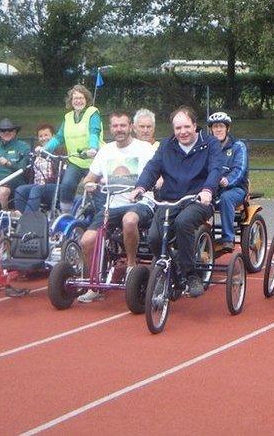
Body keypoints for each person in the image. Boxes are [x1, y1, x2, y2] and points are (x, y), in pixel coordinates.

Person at [131, 106, 226, 298]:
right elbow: (152, 167)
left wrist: (208, 190)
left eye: (186, 127)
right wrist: (141, 187)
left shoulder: (210, 144)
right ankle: (174, 272)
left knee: (184, 223)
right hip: (169, 199)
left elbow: (216, 168)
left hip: (197, 199)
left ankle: (191, 275)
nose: (182, 132)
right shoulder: (167, 145)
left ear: (195, 125)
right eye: (178, 128)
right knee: (155, 238)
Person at [76, 111, 156, 303]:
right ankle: (94, 284)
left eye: (123, 125)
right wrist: (88, 183)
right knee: (86, 240)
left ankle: (130, 266)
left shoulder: (145, 148)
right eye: (115, 126)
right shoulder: (106, 150)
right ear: (110, 128)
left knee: (129, 220)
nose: (119, 129)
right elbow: (89, 178)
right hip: (111, 204)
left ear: (130, 127)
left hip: (140, 203)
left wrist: (157, 183)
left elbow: (160, 173)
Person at [39, 85, 104, 212]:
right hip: (75, 160)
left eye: (81, 98)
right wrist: (45, 149)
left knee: (95, 189)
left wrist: (93, 148)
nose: (78, 101)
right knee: (67, 185)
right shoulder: (68, 117)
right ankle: (66, 214)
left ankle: (101, 215)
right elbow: (59, 137)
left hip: (93, 160)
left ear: (86, 100)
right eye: (75, 98)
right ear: (71, 101)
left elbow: (94, 132)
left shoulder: (92, 113)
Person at [206, 111, 248, 253]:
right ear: (211, 130)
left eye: (221, 126)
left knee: (226, 198)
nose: (218, 130)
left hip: (235, 188)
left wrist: (227, 181)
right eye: (215, 127)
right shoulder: (207, 147)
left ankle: (228, 239)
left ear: (227, 129)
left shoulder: (238, 147)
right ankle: (202, 235)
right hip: (212, 187)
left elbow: (240, 170)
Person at [14, 124, 60, 213]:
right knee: (20, 190)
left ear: (53, 136)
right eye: (40, 136)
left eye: (46, 135)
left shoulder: (59, 152)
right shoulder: (36, 154)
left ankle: (28, 218)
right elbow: (28, 172)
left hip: (55, 186)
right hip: (37, 185)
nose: (43, 138)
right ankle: (20, 217)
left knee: (37, 189)